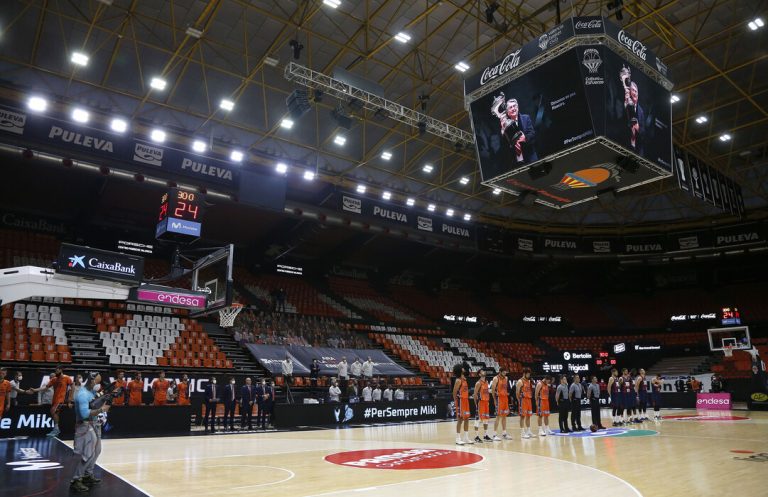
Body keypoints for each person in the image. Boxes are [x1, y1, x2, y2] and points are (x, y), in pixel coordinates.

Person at [69, 372, 110, 494]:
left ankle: (87, 474)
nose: (98, 385)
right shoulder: (81, 394)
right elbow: (84, 414)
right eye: (97, 382)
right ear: (91, 381)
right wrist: (101, 410)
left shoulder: (91, 392)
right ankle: (76, 479)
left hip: (93, 424)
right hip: (84, 425)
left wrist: (107, 398)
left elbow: (95, 402)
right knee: (87, 454)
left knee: (96, 451)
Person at [490, 93, 538, 163]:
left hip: (530, 157)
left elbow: (532, 134)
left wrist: (525, 138)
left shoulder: (526, 118)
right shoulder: (503, 124)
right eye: (510, 107)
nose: (513, 109)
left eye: (514, 106)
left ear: (518, 107)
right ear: (507, 111)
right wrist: (503, 131)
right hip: (515, 161)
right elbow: (504, 146)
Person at [30, 365, 73, 437]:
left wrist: (70, 399)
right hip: (54, 400)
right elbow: (45, 388)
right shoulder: (54, 379)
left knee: (53, 411)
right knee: (55, 413)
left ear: (61, 370)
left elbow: (73, 386)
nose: (56, 371)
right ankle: (56, 429)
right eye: (55, 370)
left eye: (57, 370)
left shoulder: (67, 378)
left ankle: (56, 429)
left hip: (61, 400)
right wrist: (35, 390)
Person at [621, 75, 645, 155]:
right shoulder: (625, 104)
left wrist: (638, 128)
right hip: (624, 145)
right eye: (633, 90)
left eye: (636, 91)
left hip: (638, 150)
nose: (635, 93)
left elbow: (644, 132)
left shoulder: (641, 111)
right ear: (629, 92)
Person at [452, 364, 473, 445]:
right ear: (460, 370)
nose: (464, 368)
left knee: (467, 418)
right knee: (460, 419)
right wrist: (456, 401)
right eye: (462, 367)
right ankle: (458, 438)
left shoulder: (464, 379)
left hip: (466, 400)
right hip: (460, 401)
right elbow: (454, 392)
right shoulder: (458, 380)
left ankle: (466, 437)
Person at [491, 366, 511, 440]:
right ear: (500, 372)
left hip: (505, 398)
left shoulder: (506, 378)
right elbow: (493, 390)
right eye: (504, 372)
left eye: (506, 372)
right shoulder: (496, 379)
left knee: (504, 416)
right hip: (499, 399)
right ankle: (494, 434)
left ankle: (504, 433)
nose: (505, 373)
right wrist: (494, 400)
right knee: (498, 416)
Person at [473, 369, 492, 443]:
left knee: (486, 419)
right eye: (482, 372)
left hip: (486, 402)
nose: (484, 372)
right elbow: (475, 394)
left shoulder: (487, 382)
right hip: (480, 403)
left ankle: (485, 435)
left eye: (484, 371)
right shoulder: (478, 383)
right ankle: (476, 436)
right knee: (478, 420)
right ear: (480, 374)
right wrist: (476, 404)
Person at [516, 368, 535, 439]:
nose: (529, 375)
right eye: (528, 374)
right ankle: (522, 432)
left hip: (528, 400)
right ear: (524, 373)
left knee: (528, 416)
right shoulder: (520, 381)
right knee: (522, 416)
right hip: (523, 400)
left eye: (529, 374)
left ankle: (528, 431)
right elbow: (517, 393)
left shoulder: (529, 381)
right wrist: (519, 400)